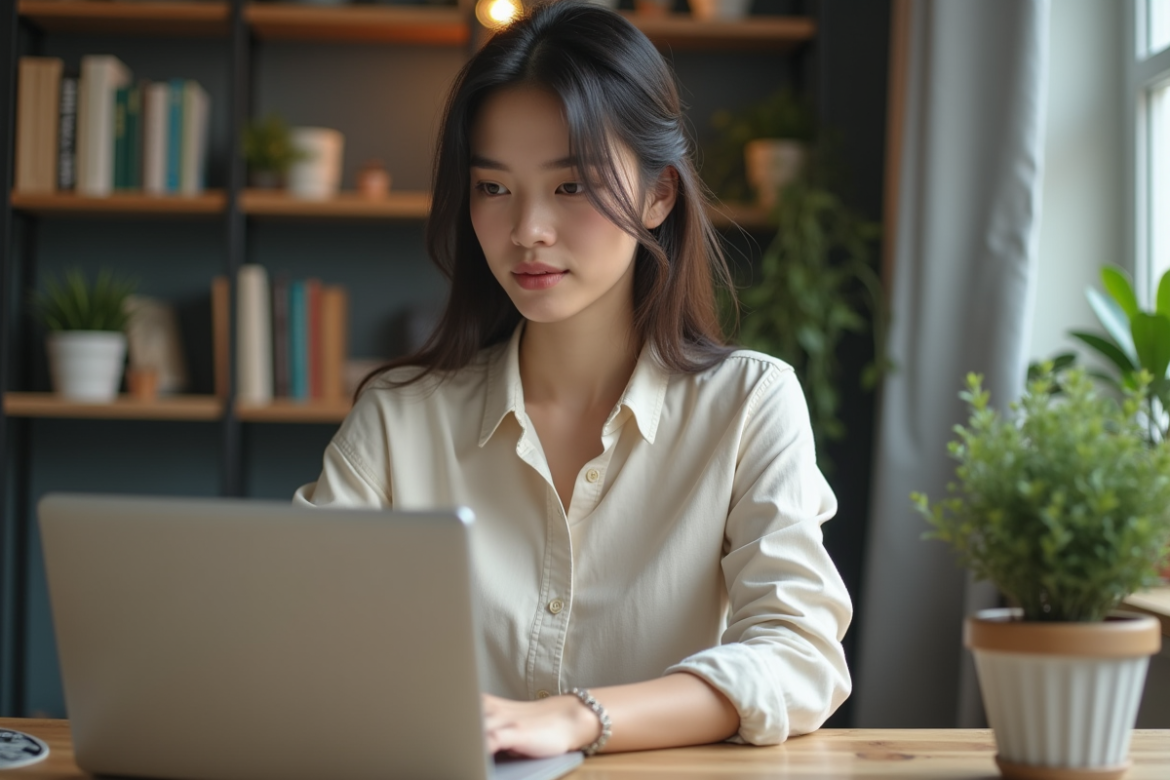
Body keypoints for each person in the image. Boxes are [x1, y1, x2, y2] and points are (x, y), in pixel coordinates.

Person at [294, 0, 851, 759]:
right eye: (494, 188)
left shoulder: (749, 405)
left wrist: (580, 717)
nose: (527, 229)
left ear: (659, 195)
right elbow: (296, 643)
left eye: (570, 187)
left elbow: (799, 658)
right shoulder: (399, 420)